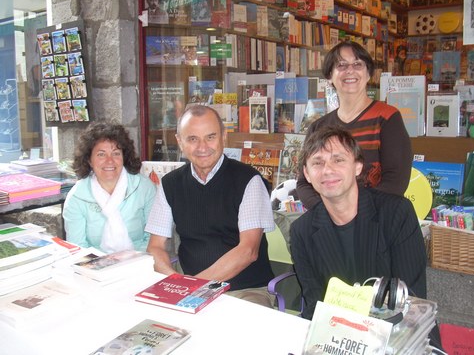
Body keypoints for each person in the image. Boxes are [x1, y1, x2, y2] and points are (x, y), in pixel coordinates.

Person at [290, 125, 442, 348]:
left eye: (338, 160)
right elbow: (315, 304)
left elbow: (409, 299)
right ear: (307, 174)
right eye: (317, 162)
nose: (327, 170)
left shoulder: (396, 213)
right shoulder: (302, 231)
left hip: (401, 337)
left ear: (358, 166)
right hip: (338, 340)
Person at [145, 105, 275, 308]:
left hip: (244, 290)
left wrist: (194, 288)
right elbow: (155, 247)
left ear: (224, 137)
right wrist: (175, 282)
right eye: (192, 139)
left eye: (210, 137)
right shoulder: (170, 184)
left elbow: (248, 251)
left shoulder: (248, 180)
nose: (202, 147)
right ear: (180, 142)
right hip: (189, 288)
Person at [296, 41, 412, 209]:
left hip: (375, 218)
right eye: (341, 65)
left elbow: (396, 181)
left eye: (358, 64)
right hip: (328, 221)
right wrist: (328, 212)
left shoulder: (387, 117)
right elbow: (303, 183)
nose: (350, 70)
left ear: (368, 74)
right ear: (329, 76)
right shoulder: (318, 127)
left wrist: (354, 214)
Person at [63, 122, 157, 253]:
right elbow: (78, 248)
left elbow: (154, 239)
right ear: (89, 160)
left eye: (116, 153)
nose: (109, 161)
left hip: (142, 262)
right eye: (101, 154)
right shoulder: (77, 197)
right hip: (95, 267)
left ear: (124, 156)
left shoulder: (144, 187)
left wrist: (133, 262)